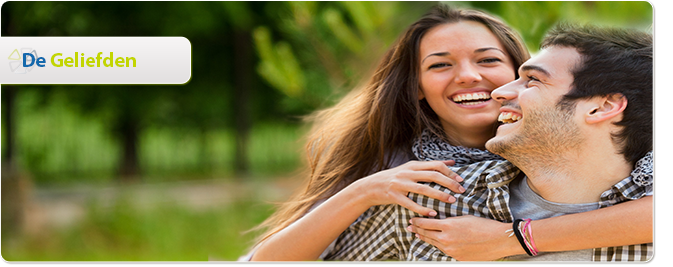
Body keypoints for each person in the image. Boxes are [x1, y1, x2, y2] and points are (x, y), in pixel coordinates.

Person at [245, 5, 653, 261]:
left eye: (488, 59)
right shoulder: (415, 183)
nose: (470, 77)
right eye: (440, 65)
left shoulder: (622, 148)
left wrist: (512, 240)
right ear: (416, 90)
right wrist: (364, 190)